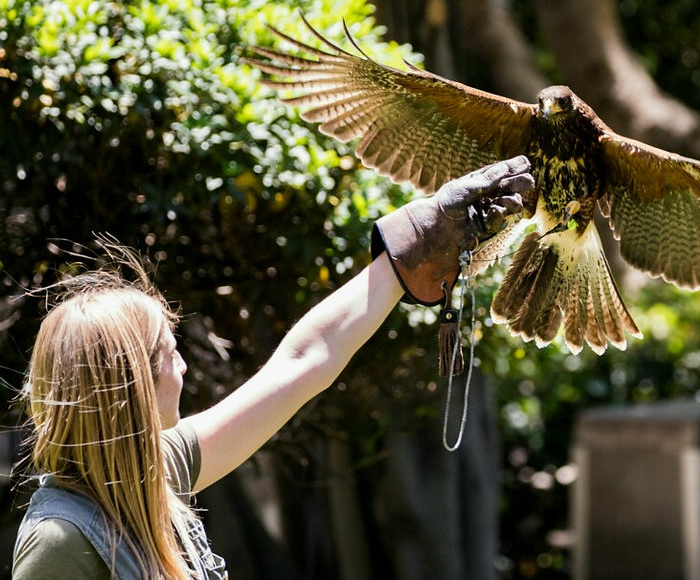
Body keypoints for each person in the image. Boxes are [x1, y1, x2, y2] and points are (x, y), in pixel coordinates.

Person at [11, 156, 533, 579]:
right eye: (169, 353)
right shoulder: (60, 541)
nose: (185, 368)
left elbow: (304, 361)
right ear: (130, 386)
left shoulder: (153, 470)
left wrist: (408, 253)